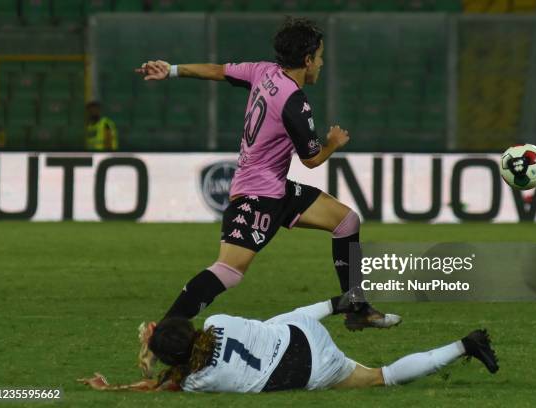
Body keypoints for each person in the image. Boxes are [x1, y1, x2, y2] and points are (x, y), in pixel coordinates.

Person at [134, 17, 400, 378]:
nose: (322, 63)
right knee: (227, 272)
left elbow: (217, 70)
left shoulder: (262, 71)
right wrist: (333, 144)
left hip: (276, 186)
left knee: (346, 221)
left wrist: (173, 70)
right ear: (307, 59)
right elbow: (311, 159)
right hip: (257, 196)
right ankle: (158, 336)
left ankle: (357, 306)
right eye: (319, 56)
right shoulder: (295, 102)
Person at [78, 289, 499, 393]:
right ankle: (342, 303)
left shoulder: (196, 383)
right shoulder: (219, 319)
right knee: (276, 323)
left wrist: (112, 386)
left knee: (381, 378)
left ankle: (466, 345)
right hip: (304, 335)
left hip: (310, 370)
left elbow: (160, 386)